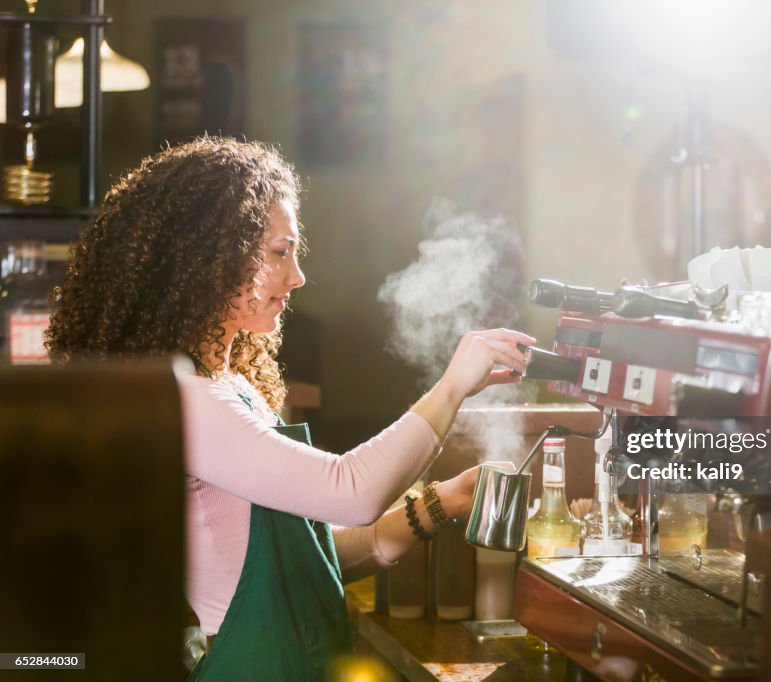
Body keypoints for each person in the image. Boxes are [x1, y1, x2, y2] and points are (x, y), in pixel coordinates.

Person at [46, 136, 534, 680]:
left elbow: (314, 559)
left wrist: (446, 500)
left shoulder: (232, 388)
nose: (297, 276)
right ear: (212, 258)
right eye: (281, 252)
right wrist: (452, 388)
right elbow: (350, 491)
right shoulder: (184, 399)